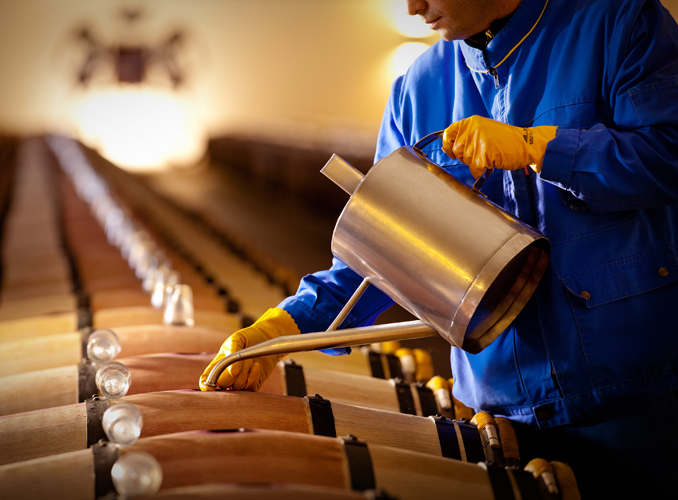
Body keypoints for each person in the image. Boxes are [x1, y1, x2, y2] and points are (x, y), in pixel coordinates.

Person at [201, 0, 678, 496]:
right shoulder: (418, 89)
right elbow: (385, 252)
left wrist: (539, 148)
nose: (412, 8)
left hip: (638, 397)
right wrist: (281, 329)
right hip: (506, 417)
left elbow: (669, 154)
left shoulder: (615, 22)